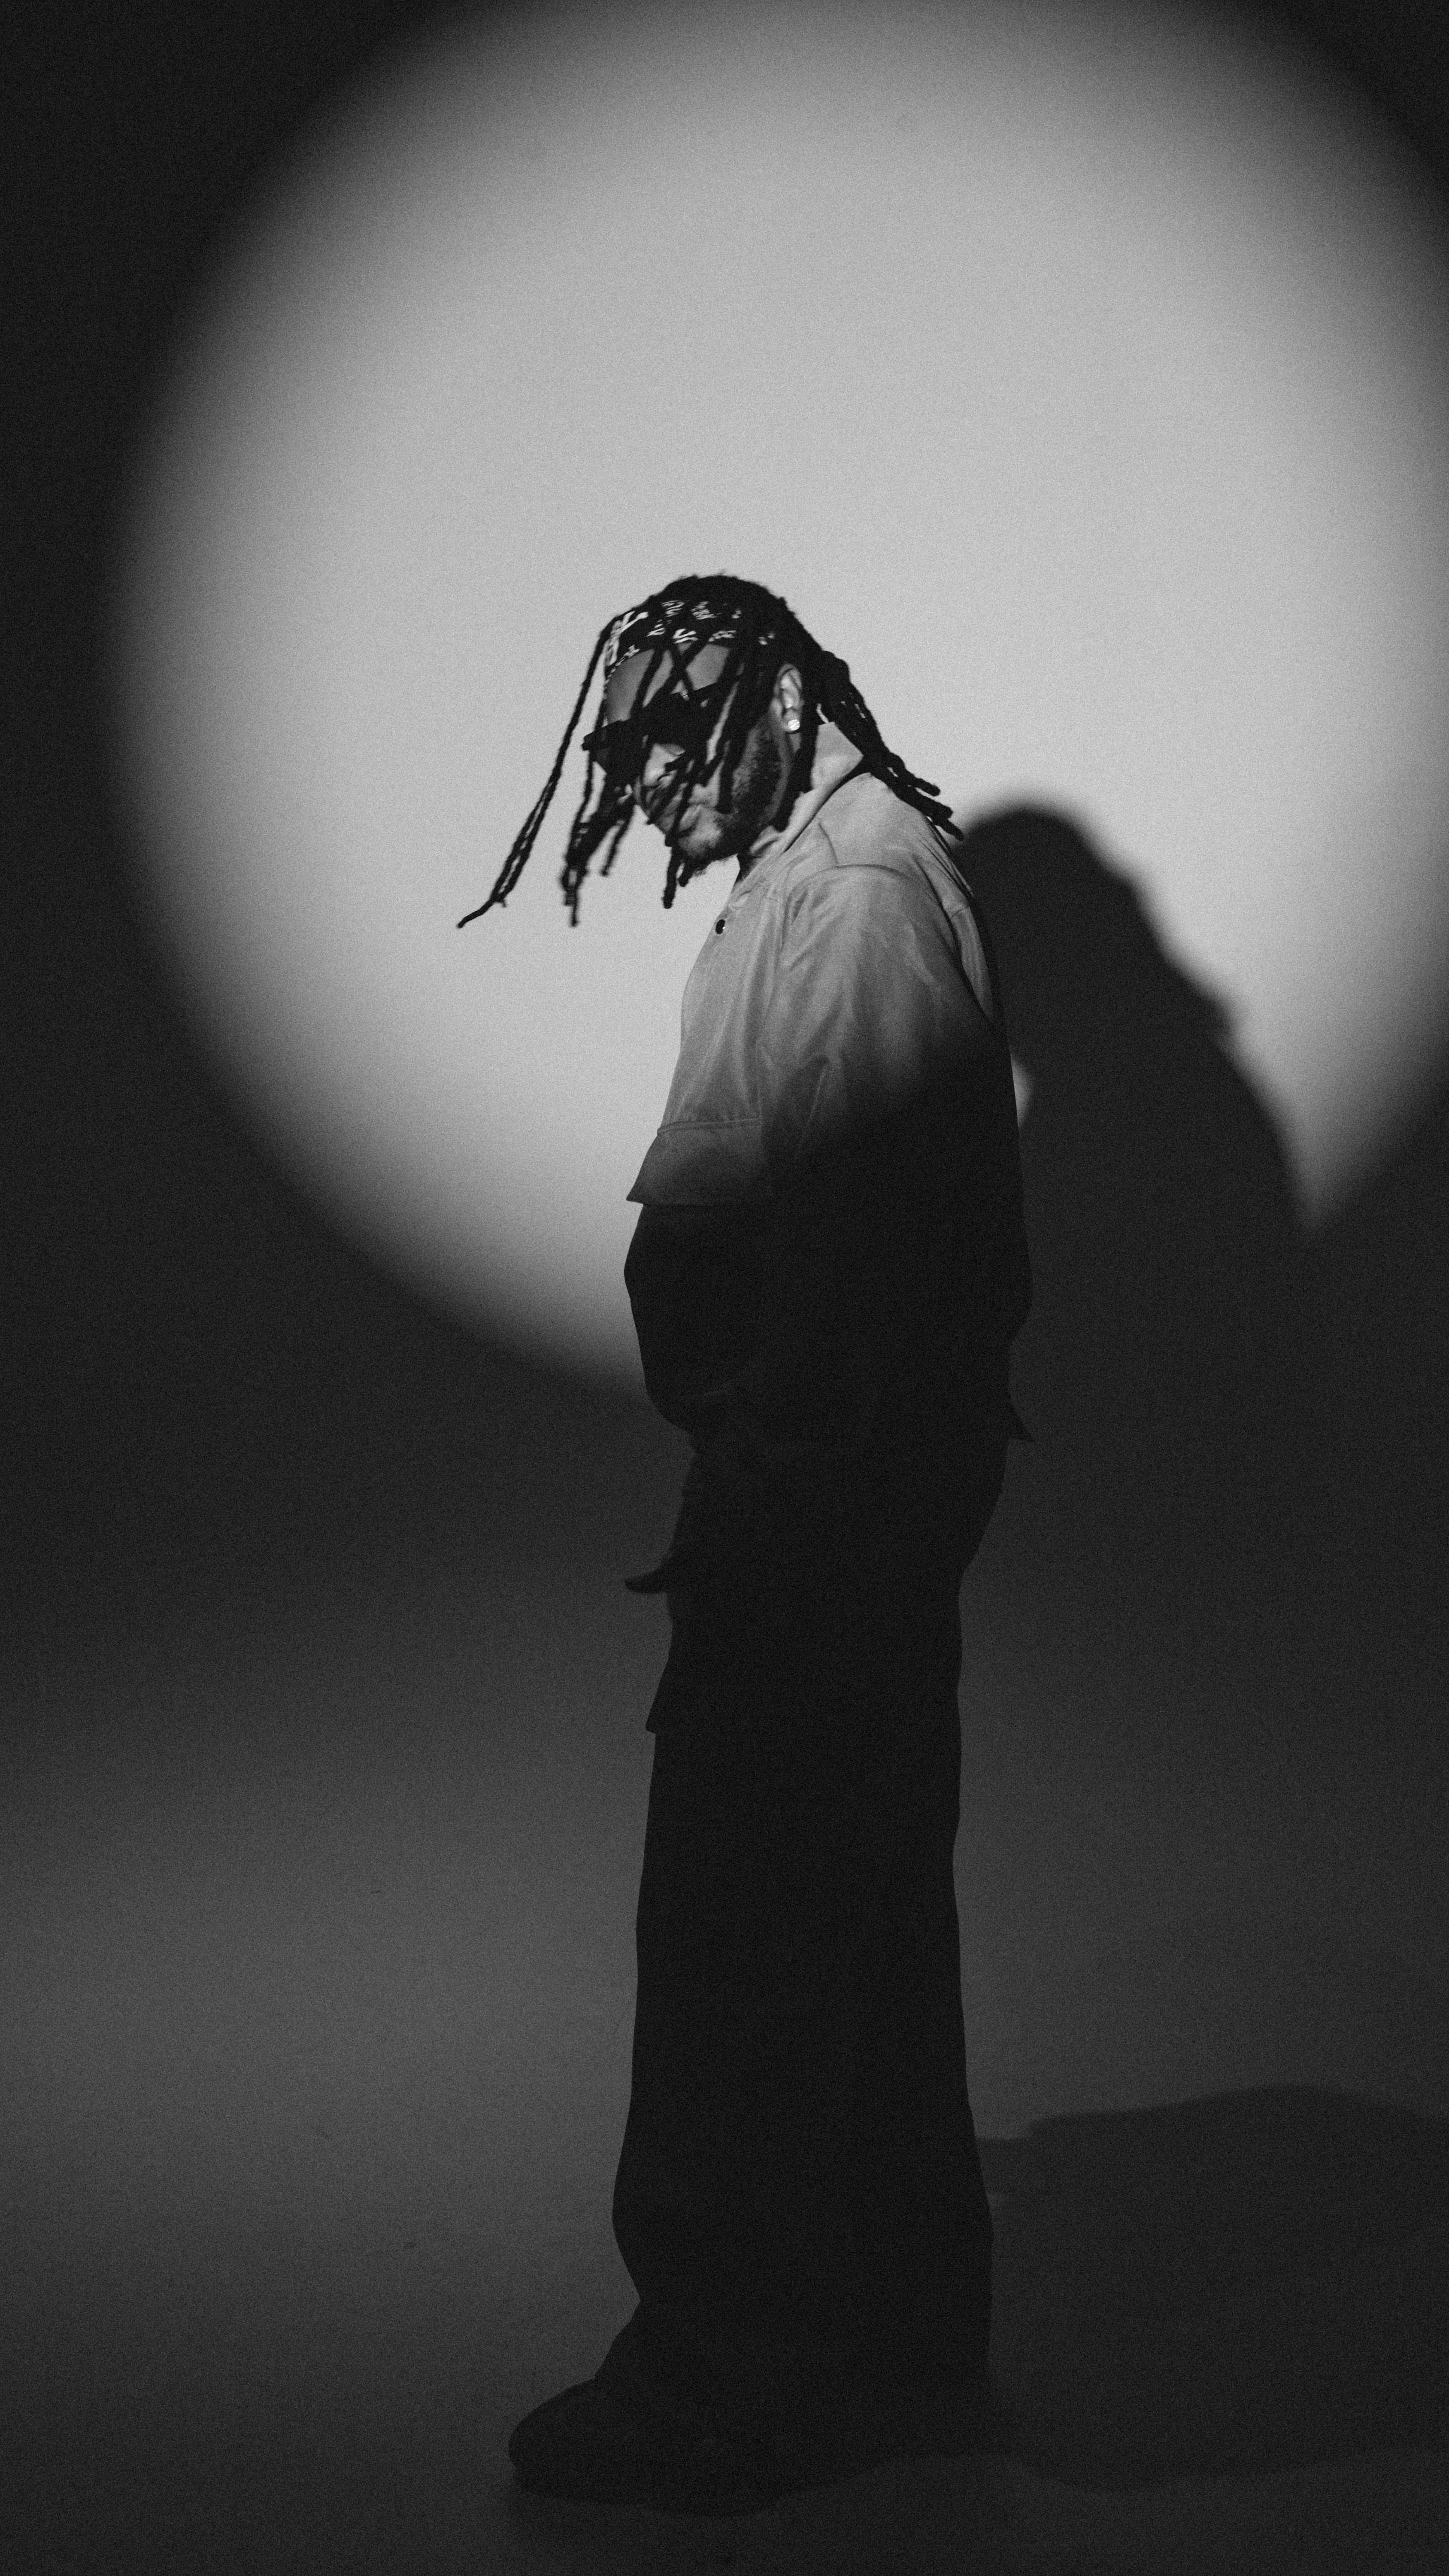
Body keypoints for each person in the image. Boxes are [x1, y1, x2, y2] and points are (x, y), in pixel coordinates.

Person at [460, 575, 1032, 2513]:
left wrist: (779, 1480)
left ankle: (718, 2385)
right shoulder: (815, 871)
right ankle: (893, 2333)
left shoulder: (858, 896)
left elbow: (875, 1232)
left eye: (660, 747)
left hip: (824, 1491)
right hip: (836, 1479)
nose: (642, 791)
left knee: (740, 1926)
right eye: (617, 759)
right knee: (852, 1905)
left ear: (773, 705)